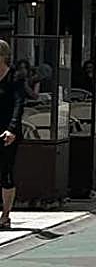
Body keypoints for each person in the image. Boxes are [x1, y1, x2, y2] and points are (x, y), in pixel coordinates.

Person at [0, 40, 25, 229]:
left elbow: (18, 104)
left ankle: (6, 215)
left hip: (8, 131)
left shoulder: (15, 77)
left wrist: (12, 129)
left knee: (5, 172)